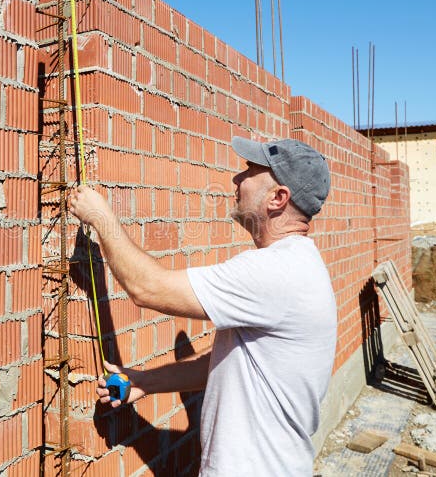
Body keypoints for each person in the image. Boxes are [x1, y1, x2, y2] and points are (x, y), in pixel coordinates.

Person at [68, 136, 337, 476]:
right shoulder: (296, 265)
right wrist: (146, 383)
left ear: (278, 197)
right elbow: (222, 365)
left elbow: (147, 289)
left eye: (250, 170)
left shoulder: (276, 272)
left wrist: (101, 218)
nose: (237, 179)